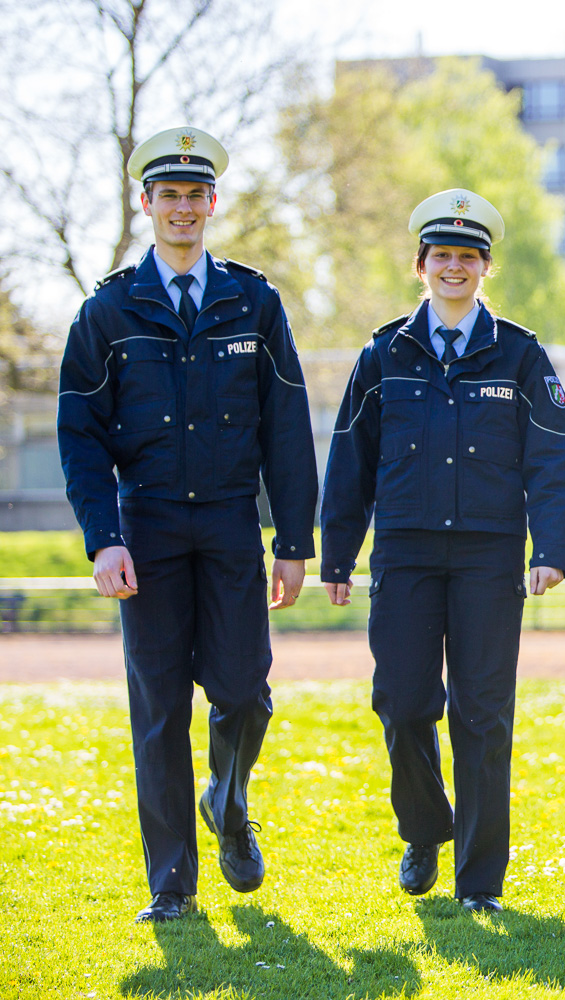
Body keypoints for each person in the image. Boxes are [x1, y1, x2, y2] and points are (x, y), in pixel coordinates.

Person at [56, 126, 318, 922]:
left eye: (194, 195)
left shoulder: (254, 299)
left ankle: (229, 802)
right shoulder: (107, 311)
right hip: (150, 529)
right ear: (146, 203)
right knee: (160, 706)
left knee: (245, 691)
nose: (182, 209)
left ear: (213, 203)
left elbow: (286, 426)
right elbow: (79, 433)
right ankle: (172, 885)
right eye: (167, 195)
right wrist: (103, 537)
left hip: (235, 524)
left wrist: (295, 540)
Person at [319, 189, 565, 913]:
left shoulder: (523, 356)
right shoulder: (383, 354)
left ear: (485, 267)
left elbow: (556, 460)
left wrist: (553, 547)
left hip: (488, 559)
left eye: (468, 257)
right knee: (402, 704)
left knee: (482, 716)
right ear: (421, 266)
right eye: (442, 257)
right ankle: (424, 827)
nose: (454, 268)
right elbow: (350, 460)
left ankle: (479, 883)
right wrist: (336, 553)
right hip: (403, 555)